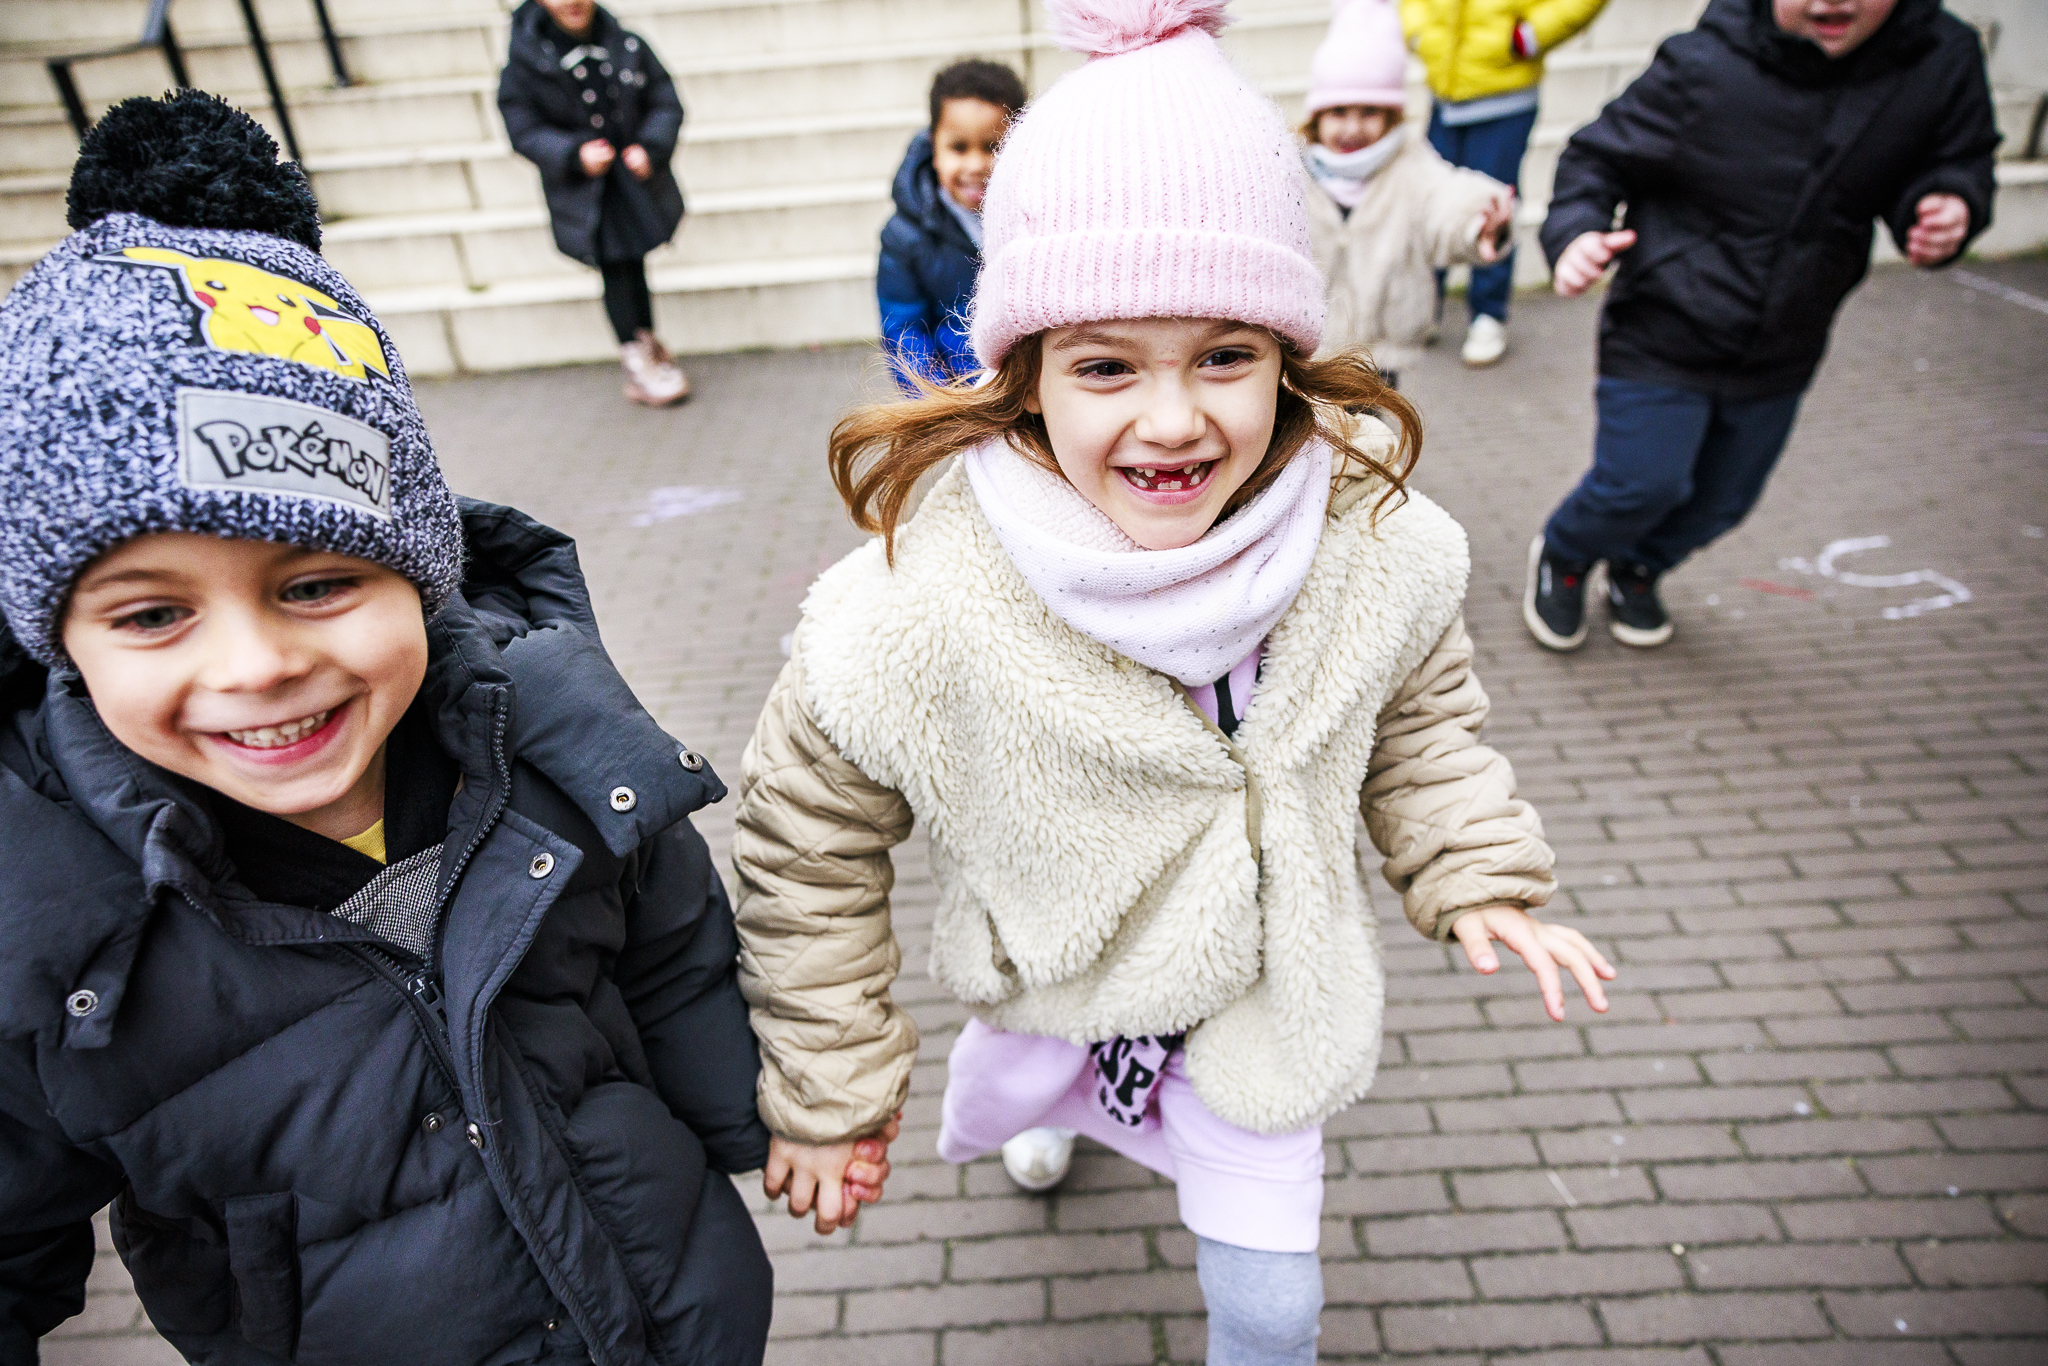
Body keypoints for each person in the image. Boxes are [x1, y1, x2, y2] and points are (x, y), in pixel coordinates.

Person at [730, 3, 1615, 1362]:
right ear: (1023, 378)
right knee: (1037, 1098)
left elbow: (1421, 724)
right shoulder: (911, 604)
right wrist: (833, 1083)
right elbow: (803, 848)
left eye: (1225, 354)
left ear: (1288, 358)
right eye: (1104, 365)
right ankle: (1044, 1111)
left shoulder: (1369, 549)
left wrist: (1478, 869)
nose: (1173, 418)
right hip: (1057, 987)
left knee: (1275, 1311)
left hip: (1266, 1010)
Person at [0, 92, 822, 1366]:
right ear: (62, 640)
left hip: (671, 1309)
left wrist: (753, 1120)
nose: (261, 665)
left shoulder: (543, 736)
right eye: (155, 613)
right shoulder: (49, 922)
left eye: (318, 583)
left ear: (422, 578)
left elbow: (669, 946)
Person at [1524, 0, 1998, 652]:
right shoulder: (1702, 63)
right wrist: (1577, 231)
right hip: (1664, 324)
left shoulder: (1941, 59)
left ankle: (1641, 567)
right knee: (1642, 482)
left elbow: (1956, 158)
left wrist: (1949, 203)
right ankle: (1566, 554)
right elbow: (1596, 158)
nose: (1835, 3)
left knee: (1724, 500)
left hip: (1786, 341)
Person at [1302, 0, 1517, 388]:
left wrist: (1478, 221)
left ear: (1392, 116)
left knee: (1373, 444)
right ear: (1316, 118)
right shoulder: (1296, 172)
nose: (1353, 128)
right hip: (1310, 356)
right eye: (1338, 112)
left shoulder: (1410, 166)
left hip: (1382, 355)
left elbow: (1446, 199)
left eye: (1369, 112)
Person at [499, 0, 691, 406]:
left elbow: (664, 99)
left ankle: (645, 339)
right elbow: (523, 129)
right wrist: (573, 153)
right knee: (615, 269)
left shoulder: (627, 44)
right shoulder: (525, 62)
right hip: (585, 192)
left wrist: (650, 147)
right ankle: (637, 358)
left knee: (634, 263)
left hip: (631, 182)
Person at [1401, 0, 1607, 366]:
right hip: (1444, 91)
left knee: (1493, 207)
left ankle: (1488, 313)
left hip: (1504, 94)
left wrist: (1529, 35)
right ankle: (1424, 303)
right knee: (1426, 199)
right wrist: (1418, 31)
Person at [877, 59, 1029, 390]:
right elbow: (904, 333)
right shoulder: (905, 236)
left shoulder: (1035, 216)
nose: (975, 164)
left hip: (1029, 390)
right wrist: (940, 402)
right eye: (959, 148)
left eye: (992, 147)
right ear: (934, 147)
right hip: (959, 394)